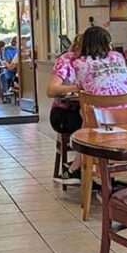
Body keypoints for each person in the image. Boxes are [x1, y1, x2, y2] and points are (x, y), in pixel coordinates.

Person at [48, 33, 84, 185]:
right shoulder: (66, 60)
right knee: (93, 123)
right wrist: (76, 87)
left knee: (99, 121)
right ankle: (78, 168)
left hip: (87, 111)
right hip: (64, 113)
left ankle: (80, 166)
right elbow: (51, 90)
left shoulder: (100, 61)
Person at [74, 26, 127, 97]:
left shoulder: (80, 63)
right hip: (126, 106)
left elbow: (79, 87)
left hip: (96, 107)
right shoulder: (118, 56)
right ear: (107, 44)